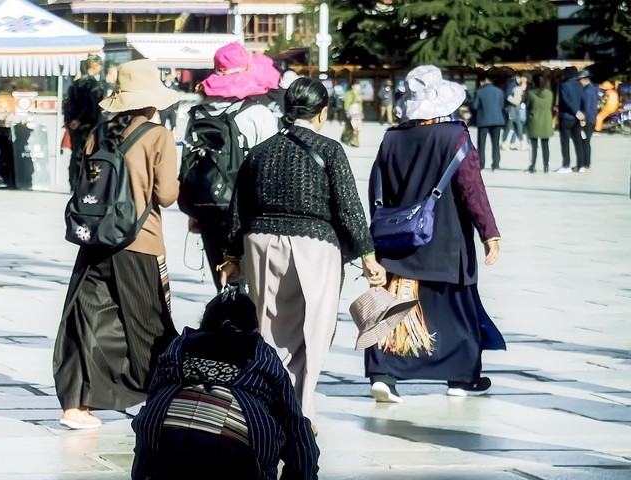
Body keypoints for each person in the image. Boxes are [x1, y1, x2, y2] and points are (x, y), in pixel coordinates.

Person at [129, 289, 319, 480]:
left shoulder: (178, 347)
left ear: (204, 322)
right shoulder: (262, 354)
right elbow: (296, 427)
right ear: (254, 327)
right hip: (234, 457)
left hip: (171, 451)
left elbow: (150, 415)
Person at [226, 78, 383, 420]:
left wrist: (232, 256)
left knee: (268, 325)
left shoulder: (260, 151)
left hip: (261, 241)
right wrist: (368, 256)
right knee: (314, 327)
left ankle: (266, 401)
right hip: (314, 244)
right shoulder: (329, 149)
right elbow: (349, 207)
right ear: (322, 113)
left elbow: (240, 207)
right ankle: (299, 409)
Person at [53, 60, 180, 430]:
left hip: (95, 240)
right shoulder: (158, 136)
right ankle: (161, 400)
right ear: (151, 100)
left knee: (87, 319)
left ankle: (75, 406)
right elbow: (167, 195)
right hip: (140, 244)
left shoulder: (99, 132)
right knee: (149, 325)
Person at [365, 65, 504, 403]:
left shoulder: (391, 138)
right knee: (455, 311)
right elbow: (472, 188)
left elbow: (376, 189)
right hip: (446, 243)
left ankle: (384, 375)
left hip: (398, 242)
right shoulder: (455, 136)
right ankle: (461, 379)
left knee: (394, 310)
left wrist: (378, 236)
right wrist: (489, 233)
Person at [183, 41, 280, 286]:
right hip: (248, 211)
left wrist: (194, 212)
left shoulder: (198, 112)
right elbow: (272, 168)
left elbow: (191, 161)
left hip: (208, 206)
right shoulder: (258, 113)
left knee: (223, 282)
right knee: (252, 287)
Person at [63, 55, 105, 188]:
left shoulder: (76, 83)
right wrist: (80, 119)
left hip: (75, 125)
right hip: (87, 125)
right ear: (95, 65)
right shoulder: (92, 84)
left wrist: (71, 121)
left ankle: (73, 182)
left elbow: (69, 104)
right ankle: (85, 183)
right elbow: (89, 105)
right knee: (88, 153)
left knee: (75, 153)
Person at [471, 73, 505, 171]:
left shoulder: (479, 92)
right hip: (497, 119)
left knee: (481, 144)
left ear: (481, 82)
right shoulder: (499, 91)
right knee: (495, 143)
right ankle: (496, 164)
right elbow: (501, 105)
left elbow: (475, 106)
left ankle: (481, 164)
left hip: (483, 120)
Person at [556, 66, 584, 174]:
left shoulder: (563, 85)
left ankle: (566, 164)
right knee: (578, 141)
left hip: (566, 116)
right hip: (577, 118)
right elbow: (582, 99)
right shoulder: (579, 85)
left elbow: (565, 100)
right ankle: (580, 165)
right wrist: (580, 112)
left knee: (565, 141)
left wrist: (575, 111)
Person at [525, 74, 554, 174]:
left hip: (534, 120)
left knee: (534, 146)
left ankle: (532, 166)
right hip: (546, 121)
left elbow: (528, 106)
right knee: (545, 145)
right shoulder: (549, 94)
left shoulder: (530, 94)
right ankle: (546, 166)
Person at [578, 71, 601, 173]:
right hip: (592, 118)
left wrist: (583, 119)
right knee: (585, 141)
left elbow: (586, 106)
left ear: (584, 79)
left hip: (587, 119)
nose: (579, 82)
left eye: (580, 80)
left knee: (585, 142)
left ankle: (586, 165)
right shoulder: (594, 88)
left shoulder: (586, 91)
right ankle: (583, 164)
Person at [501, 74, 527, 151]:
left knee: (519, 124)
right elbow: (507, 95)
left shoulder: (518, 84)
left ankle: (522, 143)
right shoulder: (512, 83)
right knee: (509, 125)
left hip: (516, 107)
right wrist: (515, 102)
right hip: (510, 107)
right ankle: (503, 143)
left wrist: (522, 89)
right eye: (525, 79)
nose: (525, 81)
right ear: (522, 77)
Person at [340, 80, 362, 147]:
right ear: (352, 86)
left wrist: (361, 112)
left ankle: (353, 140)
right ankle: (354, 141)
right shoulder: (349, 93)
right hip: (352, 111)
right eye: (356, 85)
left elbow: (360, 104)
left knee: (358, 126)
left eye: (358, 85)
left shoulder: (358, 93)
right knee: (353, 126)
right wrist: (347, 111)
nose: (358, 86)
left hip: (358, 111)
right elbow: (347, 103)